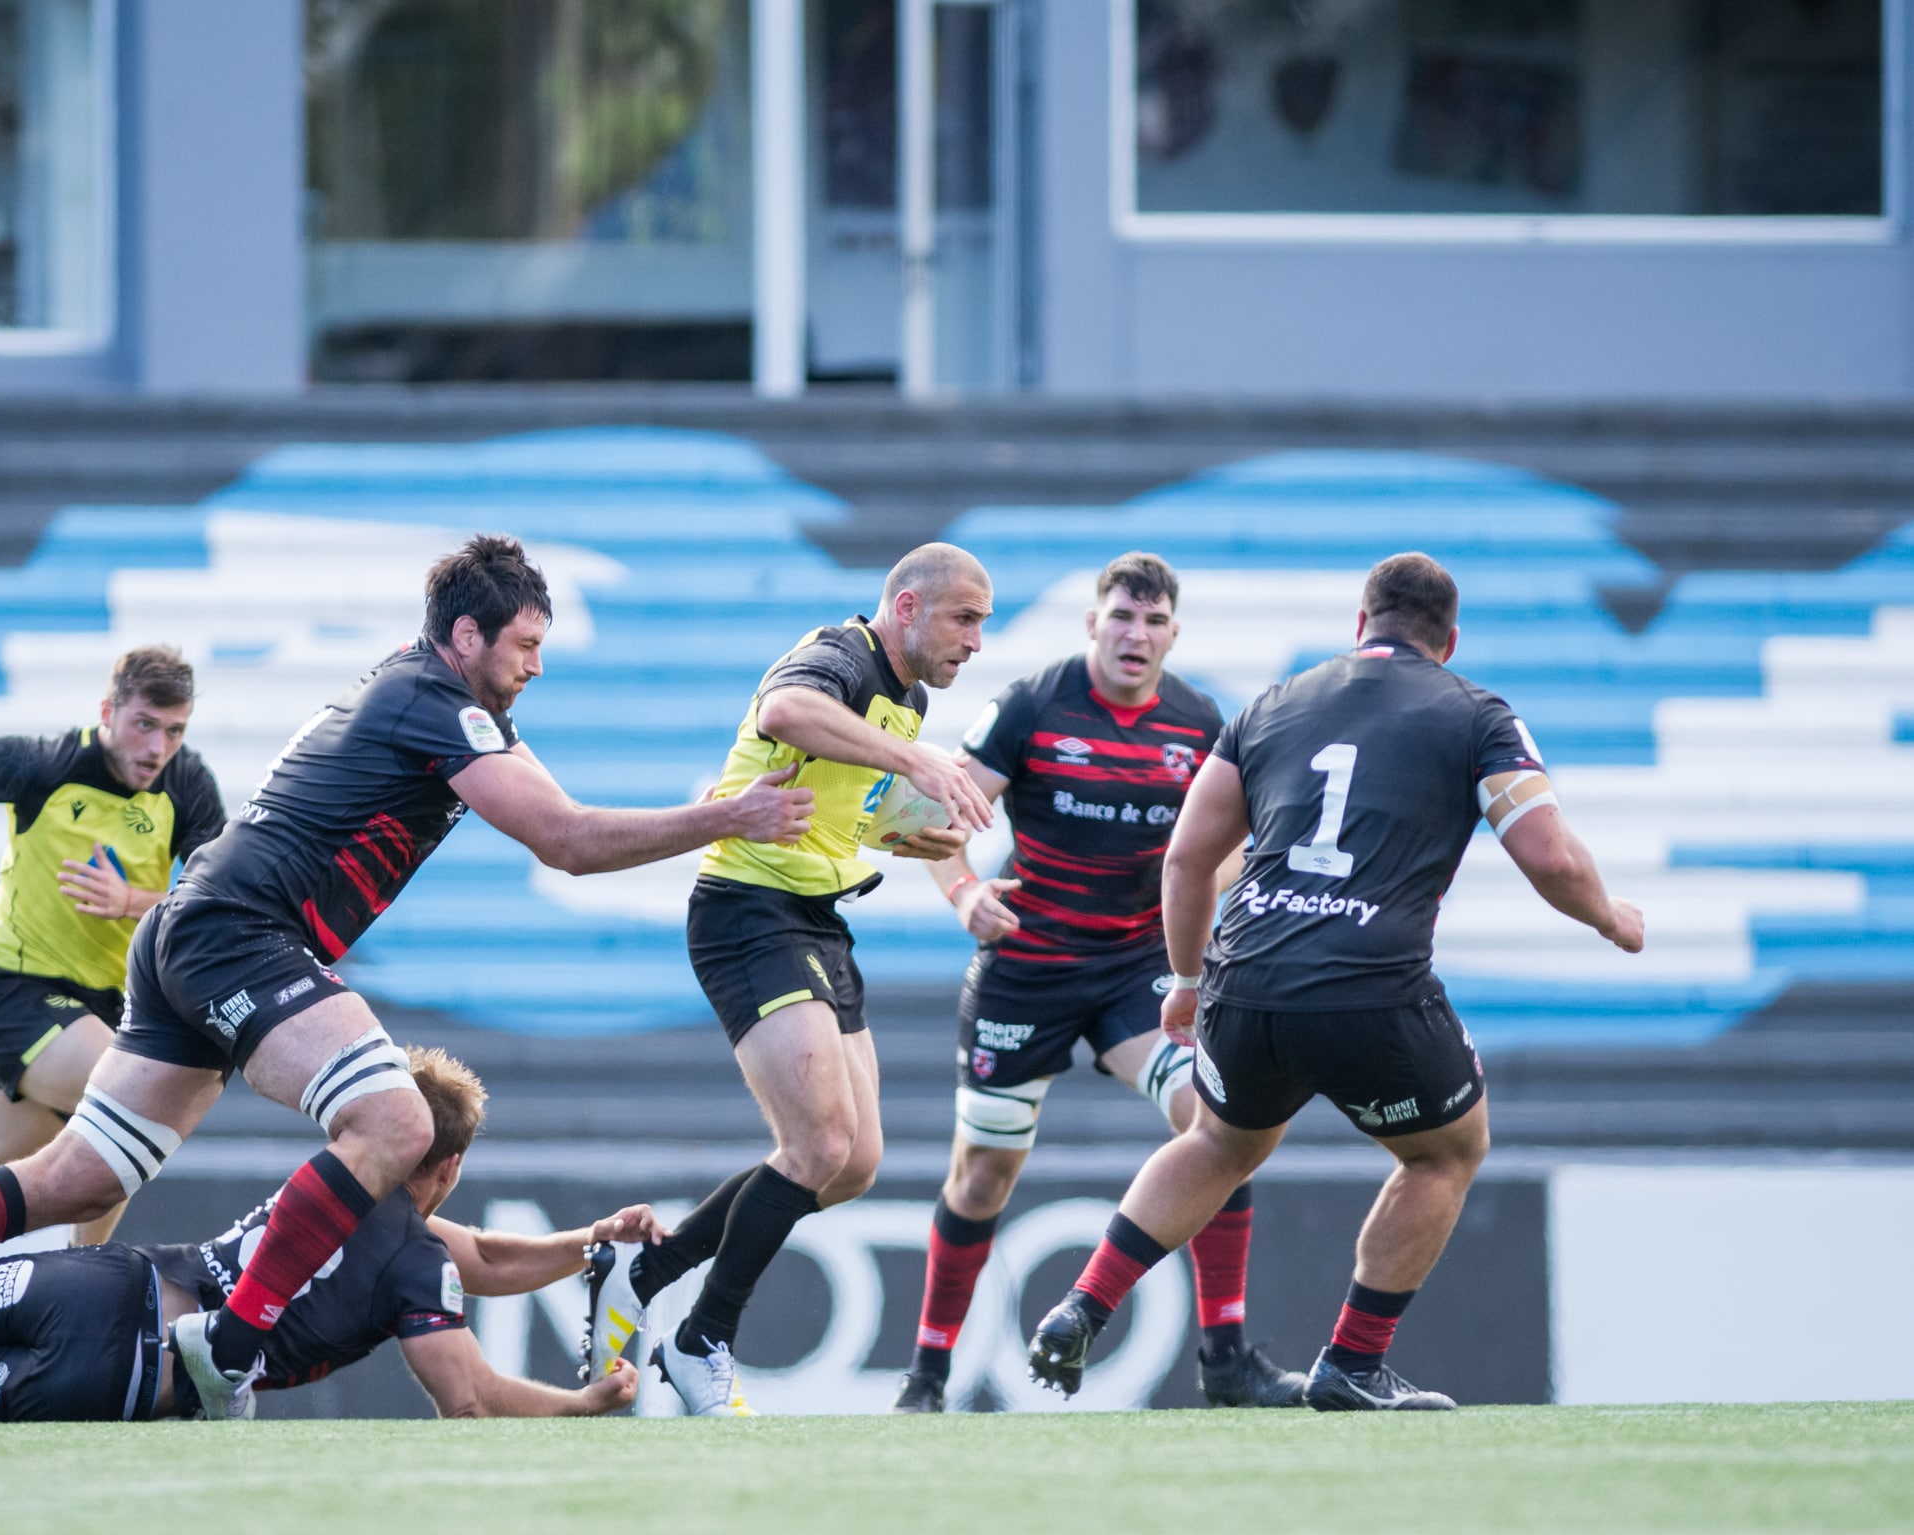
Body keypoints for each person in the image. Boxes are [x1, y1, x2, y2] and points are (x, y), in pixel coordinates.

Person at [0, 534, 816, 1426]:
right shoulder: (431, 700)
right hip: (235, 933)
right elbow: (568, 841)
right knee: (396, 1124)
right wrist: (726, 814)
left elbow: (569, 826)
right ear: (465, 636)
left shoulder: (430, 697)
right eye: (526, 644)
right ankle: (230, 1341)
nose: (537, 663)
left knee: (79, 1177)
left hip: (188, 934)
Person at [1025, 552, 1645, 1411]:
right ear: (1449, 641)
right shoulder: (1476, 713)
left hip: (1247, 976)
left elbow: (1188, 857)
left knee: (1217, 1142)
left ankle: (1080, 1306)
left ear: (1361, 625)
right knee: (1446, 1150)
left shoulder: (1273, 703)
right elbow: (1547, 855)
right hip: (1371, 984)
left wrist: (1186, 979)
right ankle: (1352, 1361)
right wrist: (1612, 917)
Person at [0, 1048, 648, 1422]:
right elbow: (465, 1391)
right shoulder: (413, 1252)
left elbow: (484, 1253)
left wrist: (585, 1240)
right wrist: (582, 1398)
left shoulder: (338, 1183)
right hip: (131, 1377)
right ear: (450, 1164)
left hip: (96, 1287)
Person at [583, 543, 996, 1417]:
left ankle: (644, 1269)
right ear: (908, 608)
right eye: (965, 618)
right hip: (747, 905)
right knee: (817, 1144)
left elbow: (860, 807)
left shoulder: (909, 698)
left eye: (985, 623)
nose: (977, 640)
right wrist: (917, 763)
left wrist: (924, 841)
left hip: (815, 914)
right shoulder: (839, 654)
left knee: (852, 1162)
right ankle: (700, 1341)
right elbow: (785, 707)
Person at [892, 553, 1302, 1415]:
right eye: (1121, 616)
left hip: (1134, 977)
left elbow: (1239, 839)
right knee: (983, 1177)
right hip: (1026, 972)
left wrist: (1205, 886)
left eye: (1153, 622)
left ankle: (1226, 1358)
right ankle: (925, 1379)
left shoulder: (1198, 721)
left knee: (1218, 1127)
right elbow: (936, 815)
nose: (1135, 635)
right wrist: (965, 893)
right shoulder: (1035, 705)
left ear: (1173, 634)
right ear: (1091, 623)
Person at [0, 646, 224, 1249]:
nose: (156, 748)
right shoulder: (46, 763)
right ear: (108, 711)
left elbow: (217, 898)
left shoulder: (186, 783)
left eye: (173, 731)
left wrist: (133, 900)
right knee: (133, 1106)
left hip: (102, 1013)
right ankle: (86, 1283)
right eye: (143, 725)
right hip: (12, 990)